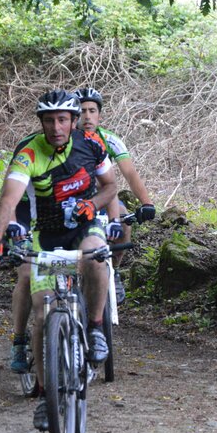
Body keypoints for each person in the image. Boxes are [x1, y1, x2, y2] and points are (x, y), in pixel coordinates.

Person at [0, 89, 118, 431]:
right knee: (43, 315)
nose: (55, 127)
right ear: (41, 123)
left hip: (84, 226)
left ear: (73, 121)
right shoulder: (29, 153)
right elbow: (9, 199)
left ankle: (96, 327)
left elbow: (110, 186)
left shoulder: (92, 145)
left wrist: (93, 204)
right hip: (46, 234)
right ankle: (46, 395)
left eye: (62, 120)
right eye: (48, 121)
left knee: (96, 256)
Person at [75, 87, 156, 302]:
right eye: (82, 111)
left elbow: (130, 173)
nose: (87, 116)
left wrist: (146, 203)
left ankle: (114, 270)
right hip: (72, 198)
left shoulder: (109, 140)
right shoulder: (65, 139)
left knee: (123, 222)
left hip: (103, 197)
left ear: (99, 115)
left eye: (92, 111)